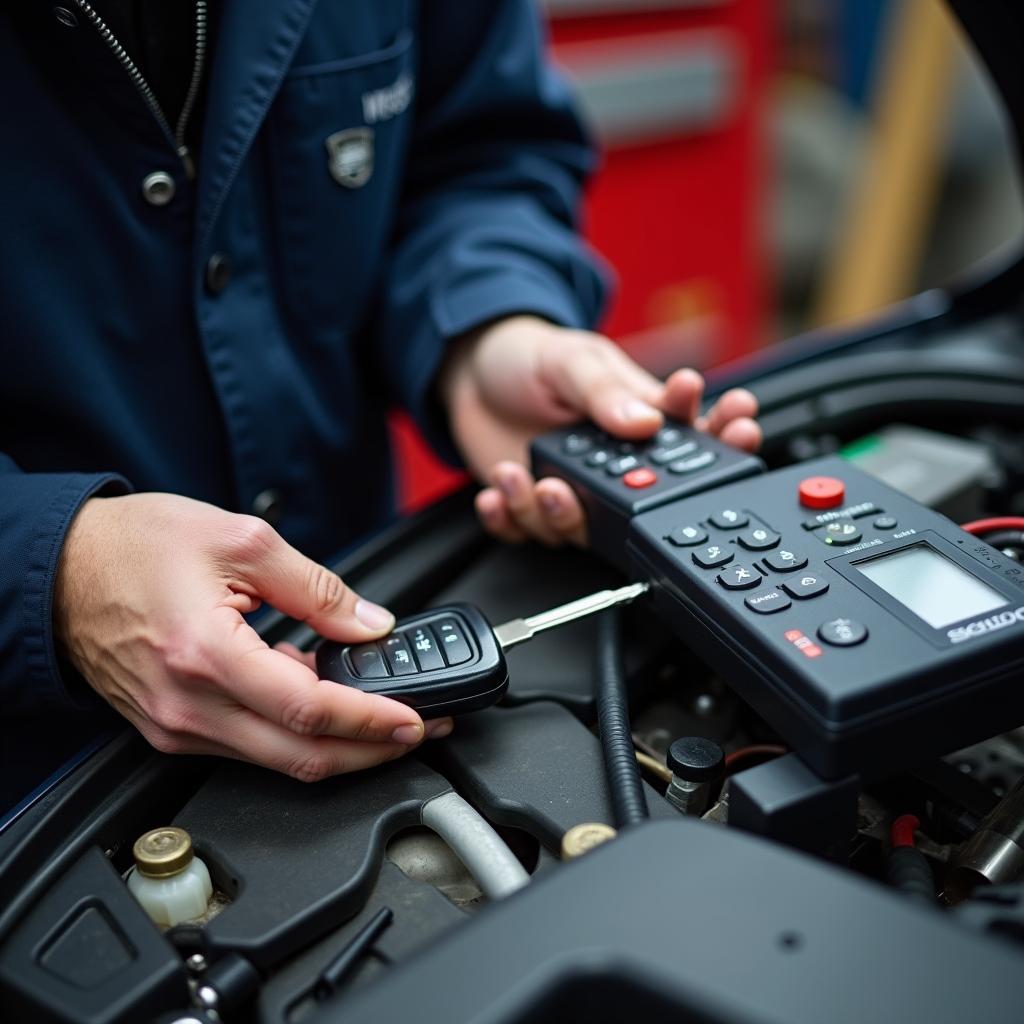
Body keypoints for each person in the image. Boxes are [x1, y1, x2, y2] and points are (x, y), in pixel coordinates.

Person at [0, 0, 760, 808]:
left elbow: (481, 154)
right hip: (36, 773)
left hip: (359, 611)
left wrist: (484, 329)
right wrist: (56, 572)